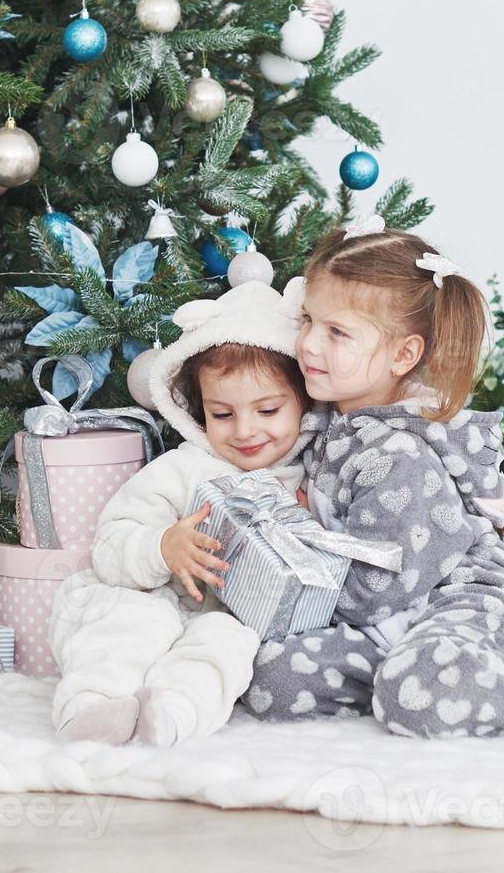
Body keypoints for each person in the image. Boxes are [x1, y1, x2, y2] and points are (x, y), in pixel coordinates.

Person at [243, 220, 504, 737]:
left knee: (420, 699)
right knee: (268, 676)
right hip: (382, 620)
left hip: (458, 606)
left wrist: (302, 580)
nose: (308, 345)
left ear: (403, 354)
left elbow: (383, 582)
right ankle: (408, 678)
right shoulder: (330, 421)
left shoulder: (398, 452)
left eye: (336, 332)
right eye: (308, 321)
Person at [49, 279, 317, 746]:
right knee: (132, 625)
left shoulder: (310, 481)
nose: (246, 431)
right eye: (223, 414)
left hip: (226, 616)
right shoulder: (183, 468)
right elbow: (110, 543)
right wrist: (160, 547)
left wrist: (308, 529)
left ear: (303, 403)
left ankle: (173, 715)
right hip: (150, 597)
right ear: (199, 413)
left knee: (227, 645)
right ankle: (91, 707)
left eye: (269, 409)